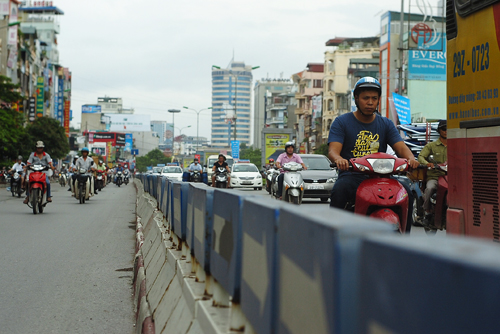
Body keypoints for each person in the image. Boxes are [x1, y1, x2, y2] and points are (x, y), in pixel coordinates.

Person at [327, 77, 419, 230]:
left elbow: (402, 149)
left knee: (406, 192)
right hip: (352, 175)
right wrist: (339, 159)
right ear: (356, 99)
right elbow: (333, 151)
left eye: (374, 98)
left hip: (382, 177)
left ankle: (405, 241)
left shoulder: (386, 124)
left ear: (378, 101)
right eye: (365, 98)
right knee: (340, 190)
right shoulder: (341, 122)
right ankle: (332, 235)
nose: (370, 102)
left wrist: (411, 159)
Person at [417, 119, 447, 226]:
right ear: (439, 130)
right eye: (444, 129)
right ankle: (427, 212)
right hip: (434, 177)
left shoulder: (455, 145)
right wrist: (427, 164)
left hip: (450, 178)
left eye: (448, 129)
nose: (446, 131)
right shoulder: (431, 146)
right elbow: (421, 157)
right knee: (430, 188)